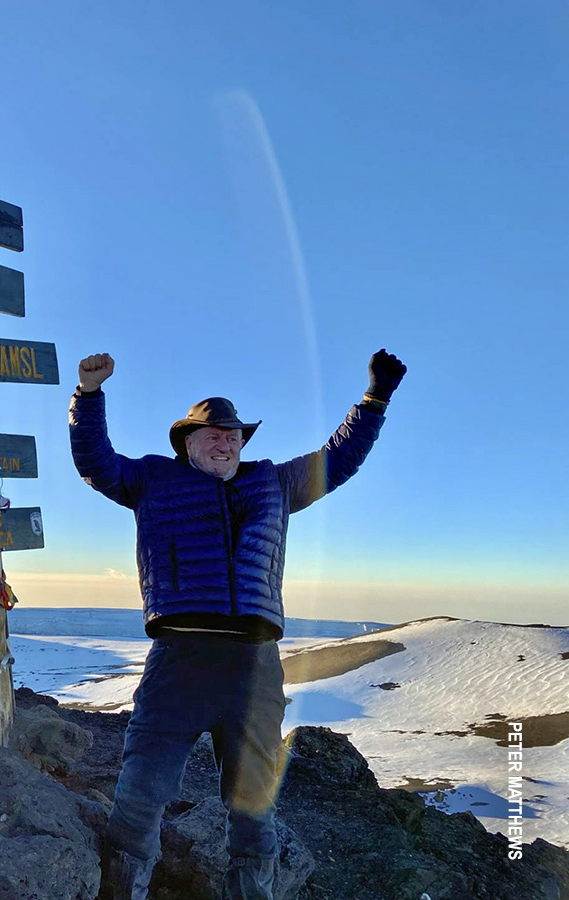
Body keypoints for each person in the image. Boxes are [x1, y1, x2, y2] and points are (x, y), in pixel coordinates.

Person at [69, 349, 406, 900]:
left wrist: (374, 400)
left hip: (254, 666)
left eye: (234, 435)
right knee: (142, 792)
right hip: (180, 659)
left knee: (253, 803)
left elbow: (337, 459)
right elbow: (96, 462)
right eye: (212, 434)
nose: (225, 442)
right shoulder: (152, 479)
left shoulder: (274, 483)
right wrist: (88, 395)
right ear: (187, 443)